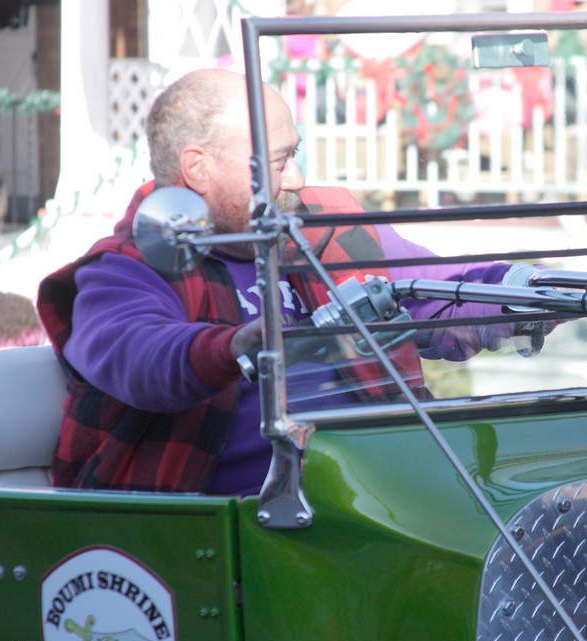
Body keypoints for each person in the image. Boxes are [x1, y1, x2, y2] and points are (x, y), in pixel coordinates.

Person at [37, 68, 540, 496]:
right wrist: (237, 345)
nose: (297, 178)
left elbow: (448, 291)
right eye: (279, 161)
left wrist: (537, 289)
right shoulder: (126, 267)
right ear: (198, 168)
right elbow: (140, 357)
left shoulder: (327, 228)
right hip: (220, 537)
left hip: (390, 493)